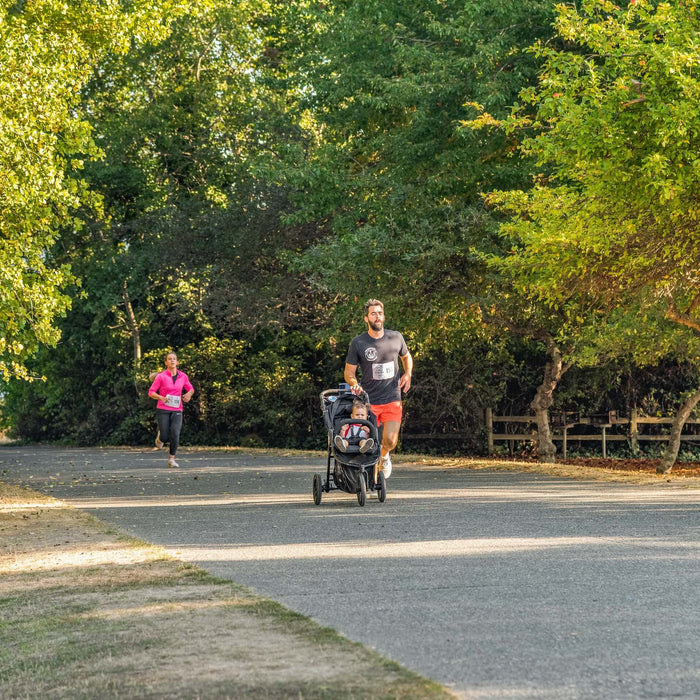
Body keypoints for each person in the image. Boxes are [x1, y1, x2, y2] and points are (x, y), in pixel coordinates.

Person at [344, 299, 412, 478]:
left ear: (384, 316)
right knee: (370, 441)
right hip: (369, 401)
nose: (377, 317)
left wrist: (408, 374)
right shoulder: (358, 343)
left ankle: (385, 456)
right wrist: (354, 384)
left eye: (380, 313)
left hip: (392, 398)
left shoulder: (395, 337)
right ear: (366, 318)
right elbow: (348, 373)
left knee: (390, 440)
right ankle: (372, 480)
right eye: (373, 314)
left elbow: (406, 356)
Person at [148, 352, 194, 467]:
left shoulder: (183, 376)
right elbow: (151, 392)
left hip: (177, 409)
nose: (172, 361)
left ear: (177, 362)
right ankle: (160, 437)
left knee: (175, 433)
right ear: (166, 362)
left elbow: (191, 388)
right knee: (164, 436)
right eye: (169, 359)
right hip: (163, 408)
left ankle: (171, 459)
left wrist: (188, 394)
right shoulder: (161, 377)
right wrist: (160, 397)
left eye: (174, 359)